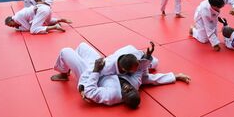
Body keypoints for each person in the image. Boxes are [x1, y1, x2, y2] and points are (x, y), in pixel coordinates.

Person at [51, 42, 191, 109]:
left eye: (125, 92)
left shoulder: (113, 96)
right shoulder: (134, 81)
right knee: (82, 46)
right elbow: (149, 78)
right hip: (102, 66)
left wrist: (82, 86)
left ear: (122, 98)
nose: (126, 87)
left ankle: (64, 73)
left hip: (91, 76)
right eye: (130, 89)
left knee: (66, 51)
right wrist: (176, 76)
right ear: (136, 89)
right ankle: (71, 67)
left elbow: (90, 90)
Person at [4, 5, 71, 34]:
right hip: (46, 9)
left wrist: (19, 29)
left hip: (41, 11)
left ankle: (55, 27)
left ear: (11, 20)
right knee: (44, 23)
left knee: (33, 30)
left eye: (10, 25)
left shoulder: (17, 18)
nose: (12, 27)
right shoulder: (18, 15)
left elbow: (28, 28)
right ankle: (59, 20)